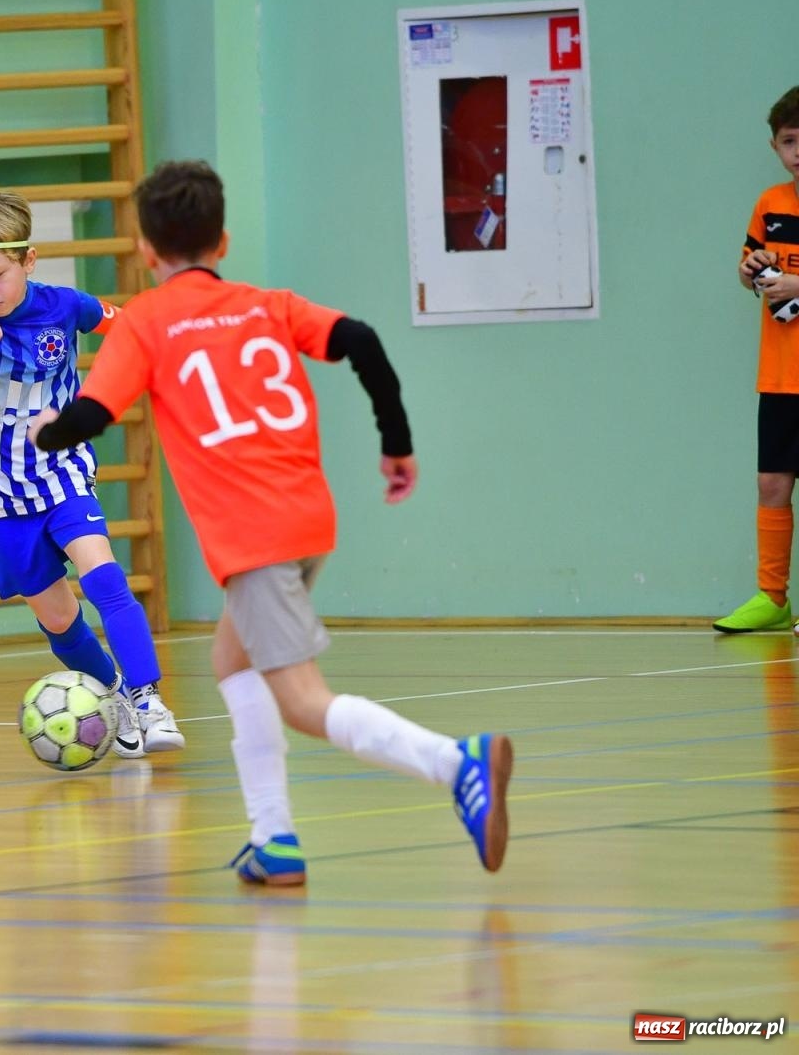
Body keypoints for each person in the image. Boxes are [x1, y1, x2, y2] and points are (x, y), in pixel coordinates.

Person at [28, 161, 512, 883]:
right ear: (222, 242)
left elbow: (91, 416)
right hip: (308, 515)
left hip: (253, 537)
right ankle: (274, 839)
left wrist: (46, 431)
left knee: (303, 701)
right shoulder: (268, 305)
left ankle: (456, 763)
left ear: (146, 250)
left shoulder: (148, 322)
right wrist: (396, 442)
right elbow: (362, 340)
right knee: (232, 661)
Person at [0, 190, 182, 758]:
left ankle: (148, 698)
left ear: (28, 260)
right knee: (59, 616)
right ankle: (115, 697)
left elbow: (130, 330)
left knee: (103, 576)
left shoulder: (64, 306)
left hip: (60, 473)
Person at [714, 85, 799, 634]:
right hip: (781, 375)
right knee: (772, 484)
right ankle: (772, 597)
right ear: (775, 147)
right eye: (790, 141)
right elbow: (751, 271)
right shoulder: (770, 204)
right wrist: (753, 271)